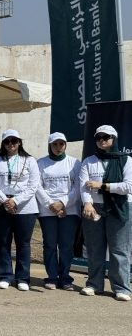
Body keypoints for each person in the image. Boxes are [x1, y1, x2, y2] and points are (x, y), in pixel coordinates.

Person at [78, 125, 132, 301]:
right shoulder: (89, 161)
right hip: (94, 207)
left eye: (106, 137)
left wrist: (102, 186)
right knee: (95, 248)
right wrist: (87, 203)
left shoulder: (126, 160)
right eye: (98, 137)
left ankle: (121, 288)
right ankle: (94, 284)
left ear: (114, 139)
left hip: (120, 207)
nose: (101, 140)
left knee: (119, 249)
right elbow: (83, 185)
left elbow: (129, 186)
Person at [0, 129, 39, 291]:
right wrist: (5, 200)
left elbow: (33, 185)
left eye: (14, 141)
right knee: (3, 242)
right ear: (3, 143)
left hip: (25, 208)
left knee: (23, 243)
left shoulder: (29, 160)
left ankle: (22, 278)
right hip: (2, 205)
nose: (10, 144)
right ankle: (5, 276)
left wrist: (15, 201)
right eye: (7, 141)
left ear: (19, 142)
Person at [36, 132, 81, 291]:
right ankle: (52, 277)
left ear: (65, 145)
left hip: (69, 210)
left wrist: (62, 204)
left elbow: (77, 188)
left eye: (61, 144)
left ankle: (65, 277)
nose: (58, 147)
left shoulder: (75, 163)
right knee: (49, 244)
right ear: (50, 145)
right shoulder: (41, 163)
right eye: (55, 144)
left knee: (66, 245)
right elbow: (37, 186)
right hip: (47, 211)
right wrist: (51, 205)